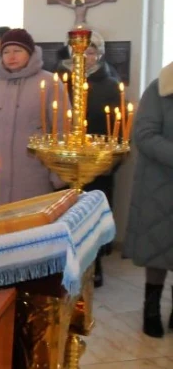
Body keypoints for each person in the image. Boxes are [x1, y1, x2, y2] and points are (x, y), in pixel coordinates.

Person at [0, 29, 63, 206]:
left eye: (17, 51)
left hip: (34, 176)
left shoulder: (49, 83)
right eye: (6, 52)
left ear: (30, 53)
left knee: (31, 230)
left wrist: (59, 175)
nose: (11, 56)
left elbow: (62, 129)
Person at [58, 30, 121, 287]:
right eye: (80, 51)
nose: (85, 56)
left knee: (94, 211)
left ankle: (95, 264)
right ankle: (65, 262)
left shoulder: (110, 83)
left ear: (99, 54)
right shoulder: (60, 79)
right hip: (65, 160)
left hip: (97, 162)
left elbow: (117, 127)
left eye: (91, 51)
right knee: (67, 211)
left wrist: (110, 160)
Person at [123, 60, 173, 338]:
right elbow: (143, 134)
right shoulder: (161, 88)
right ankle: (151, 310)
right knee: (158, 246)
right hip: (161, 183)